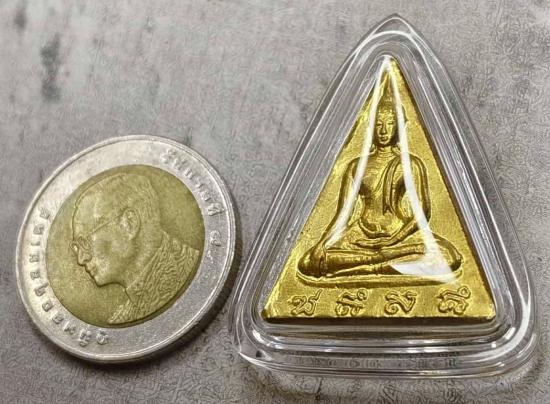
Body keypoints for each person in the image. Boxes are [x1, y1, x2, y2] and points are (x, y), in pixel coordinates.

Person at [299, 74, 461, 279]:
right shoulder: (356, 166)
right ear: (371, 128)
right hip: (360, 234)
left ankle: (369, 267)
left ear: (398, 126)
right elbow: (343, 215)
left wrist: (393, 241)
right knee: (308, 262)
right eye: (378, 124)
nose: (384, 130)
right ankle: (377, 261)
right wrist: (323, 243)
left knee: (449, 257)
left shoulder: (410, 163)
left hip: (399, 232)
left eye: (390, 123)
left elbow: (422, 213)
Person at [70, 172, 199, 325]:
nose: (81, 259)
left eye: (85, 242)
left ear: (129, 224)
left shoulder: (189, 270)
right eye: (77, 247)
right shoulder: (123, 316)